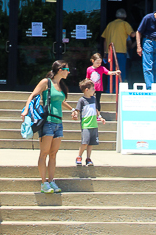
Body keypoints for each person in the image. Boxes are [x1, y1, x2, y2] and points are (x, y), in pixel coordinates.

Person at [20, 61, 75, 194]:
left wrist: (72, 109)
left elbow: (60, 100)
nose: (68, 72)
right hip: (48, 122)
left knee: (53, 154)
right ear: (60, 70)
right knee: (44, 153)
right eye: (67, 69)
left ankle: (51, 181)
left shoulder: (60, 85)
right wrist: (26, 110)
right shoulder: (46, 82)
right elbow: (32, 95)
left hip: (58, 122)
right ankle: (44, 182)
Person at [72, 79, 104, 166]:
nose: (94, 90)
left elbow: (96, 109)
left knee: (91, 143)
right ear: (87, 89)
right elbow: (77, 110)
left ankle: (88, 158)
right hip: (86, 124)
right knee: (85, 142)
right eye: (93, 89)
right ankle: (79, 156)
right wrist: (75, 114)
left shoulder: (94, 99)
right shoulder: (82, 100)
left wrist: (100, 117)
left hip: (94, 124)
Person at [136, 8, 156, 89]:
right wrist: (139, 46)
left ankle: (154, 86)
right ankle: (149, 87)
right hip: (148, 41)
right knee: (148, 65)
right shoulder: (147, 18)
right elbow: (138, 32)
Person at [102, 8, 134, 84]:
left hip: (110, 52)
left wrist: (105, 53)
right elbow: (132, 35)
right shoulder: (125, 24)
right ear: (125, 16)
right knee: (120, 72)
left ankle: (110, 89)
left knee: (111, 72)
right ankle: (119, 89)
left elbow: (105, 40)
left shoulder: (110, 25)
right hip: (121, 51)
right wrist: (140, 32)